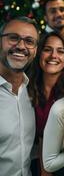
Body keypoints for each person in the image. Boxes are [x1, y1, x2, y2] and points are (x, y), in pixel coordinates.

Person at [28, 31, 64, 176]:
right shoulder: (27, 87)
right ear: (39, 53)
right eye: (47, 49)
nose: (53, 56)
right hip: (32, 164)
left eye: (60, 51)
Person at [0, 16, 39, 176]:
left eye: (29, 41)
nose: (21, 46)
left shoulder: (33, 91)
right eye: (13, 38)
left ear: (35, 51)